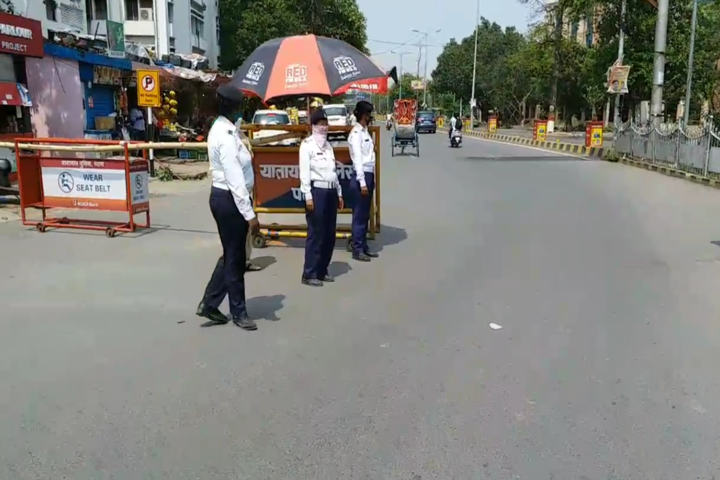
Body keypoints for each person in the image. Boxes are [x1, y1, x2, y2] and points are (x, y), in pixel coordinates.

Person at [196, 84, 259, 331]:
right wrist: (250, 215)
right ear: (231, 108)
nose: (241, 111)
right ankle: (239, 312)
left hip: (229, 198)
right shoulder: (224, 136)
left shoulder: (229, 131)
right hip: (229, 199)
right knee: (235, 258)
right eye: (239, 107)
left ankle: (209, 303)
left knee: (233, 254)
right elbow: (235, 180)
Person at [299, 109, 344, 286]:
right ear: (313, 126)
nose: (324, 127)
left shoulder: (328, 147)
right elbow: (304, 174)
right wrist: (308, 196)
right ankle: (309, 273)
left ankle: (322, 269)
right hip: (316, 193)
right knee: (315, 234)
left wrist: (339, 192)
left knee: (329, 234)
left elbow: (333, 172)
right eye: (320, 124)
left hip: (331, 192)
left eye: (326, 124)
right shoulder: (307, 145)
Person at [348, 100, 378, 262]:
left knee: (365, 215)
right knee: (359, 216)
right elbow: (358, 160)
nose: (370, 117)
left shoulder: (365, 132)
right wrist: (363, 182)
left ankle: (364, 246)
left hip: (368, 174)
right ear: (361, 115)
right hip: (361, 177)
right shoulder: (356, 134)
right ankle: (357, 249)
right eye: (367, 114)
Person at [235, 115, 263, 272]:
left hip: (247, 191)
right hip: (236, 193)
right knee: (238, 231)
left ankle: (245, 260)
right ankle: (235, 262)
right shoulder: (228, 140)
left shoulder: (243, 138)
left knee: (246, 232)